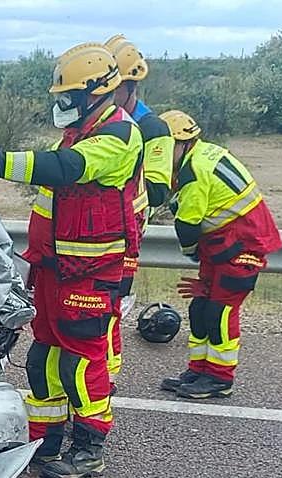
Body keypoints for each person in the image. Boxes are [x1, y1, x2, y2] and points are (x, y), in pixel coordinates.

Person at [0, 43, 141, 478]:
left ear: (97, 93)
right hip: (56, 269)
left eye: (68, 97)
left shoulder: (118, 136)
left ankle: (90, 447)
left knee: (81, 359)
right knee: (43, 357)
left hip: (90, 274)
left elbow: (61, 169)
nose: (63, 105)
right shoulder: (81, 131)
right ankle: (45, 439)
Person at [157, 110, 282, 399]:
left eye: (163, 148)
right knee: (200, 307)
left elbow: (187, 225)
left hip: (243, 244)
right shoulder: (199, 154)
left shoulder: (193, 172)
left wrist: (192, 253)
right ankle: (199, 370)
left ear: (181, 143)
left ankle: (219, 379)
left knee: (219, 313)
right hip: (221, 245)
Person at [104, 34, 173, 378]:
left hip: (125, 235)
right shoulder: (102, 123)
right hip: (97, 235)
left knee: (108, 314)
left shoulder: (152, 127)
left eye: (115, 88)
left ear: (131, 87)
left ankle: (103, 390)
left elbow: (159, 190)